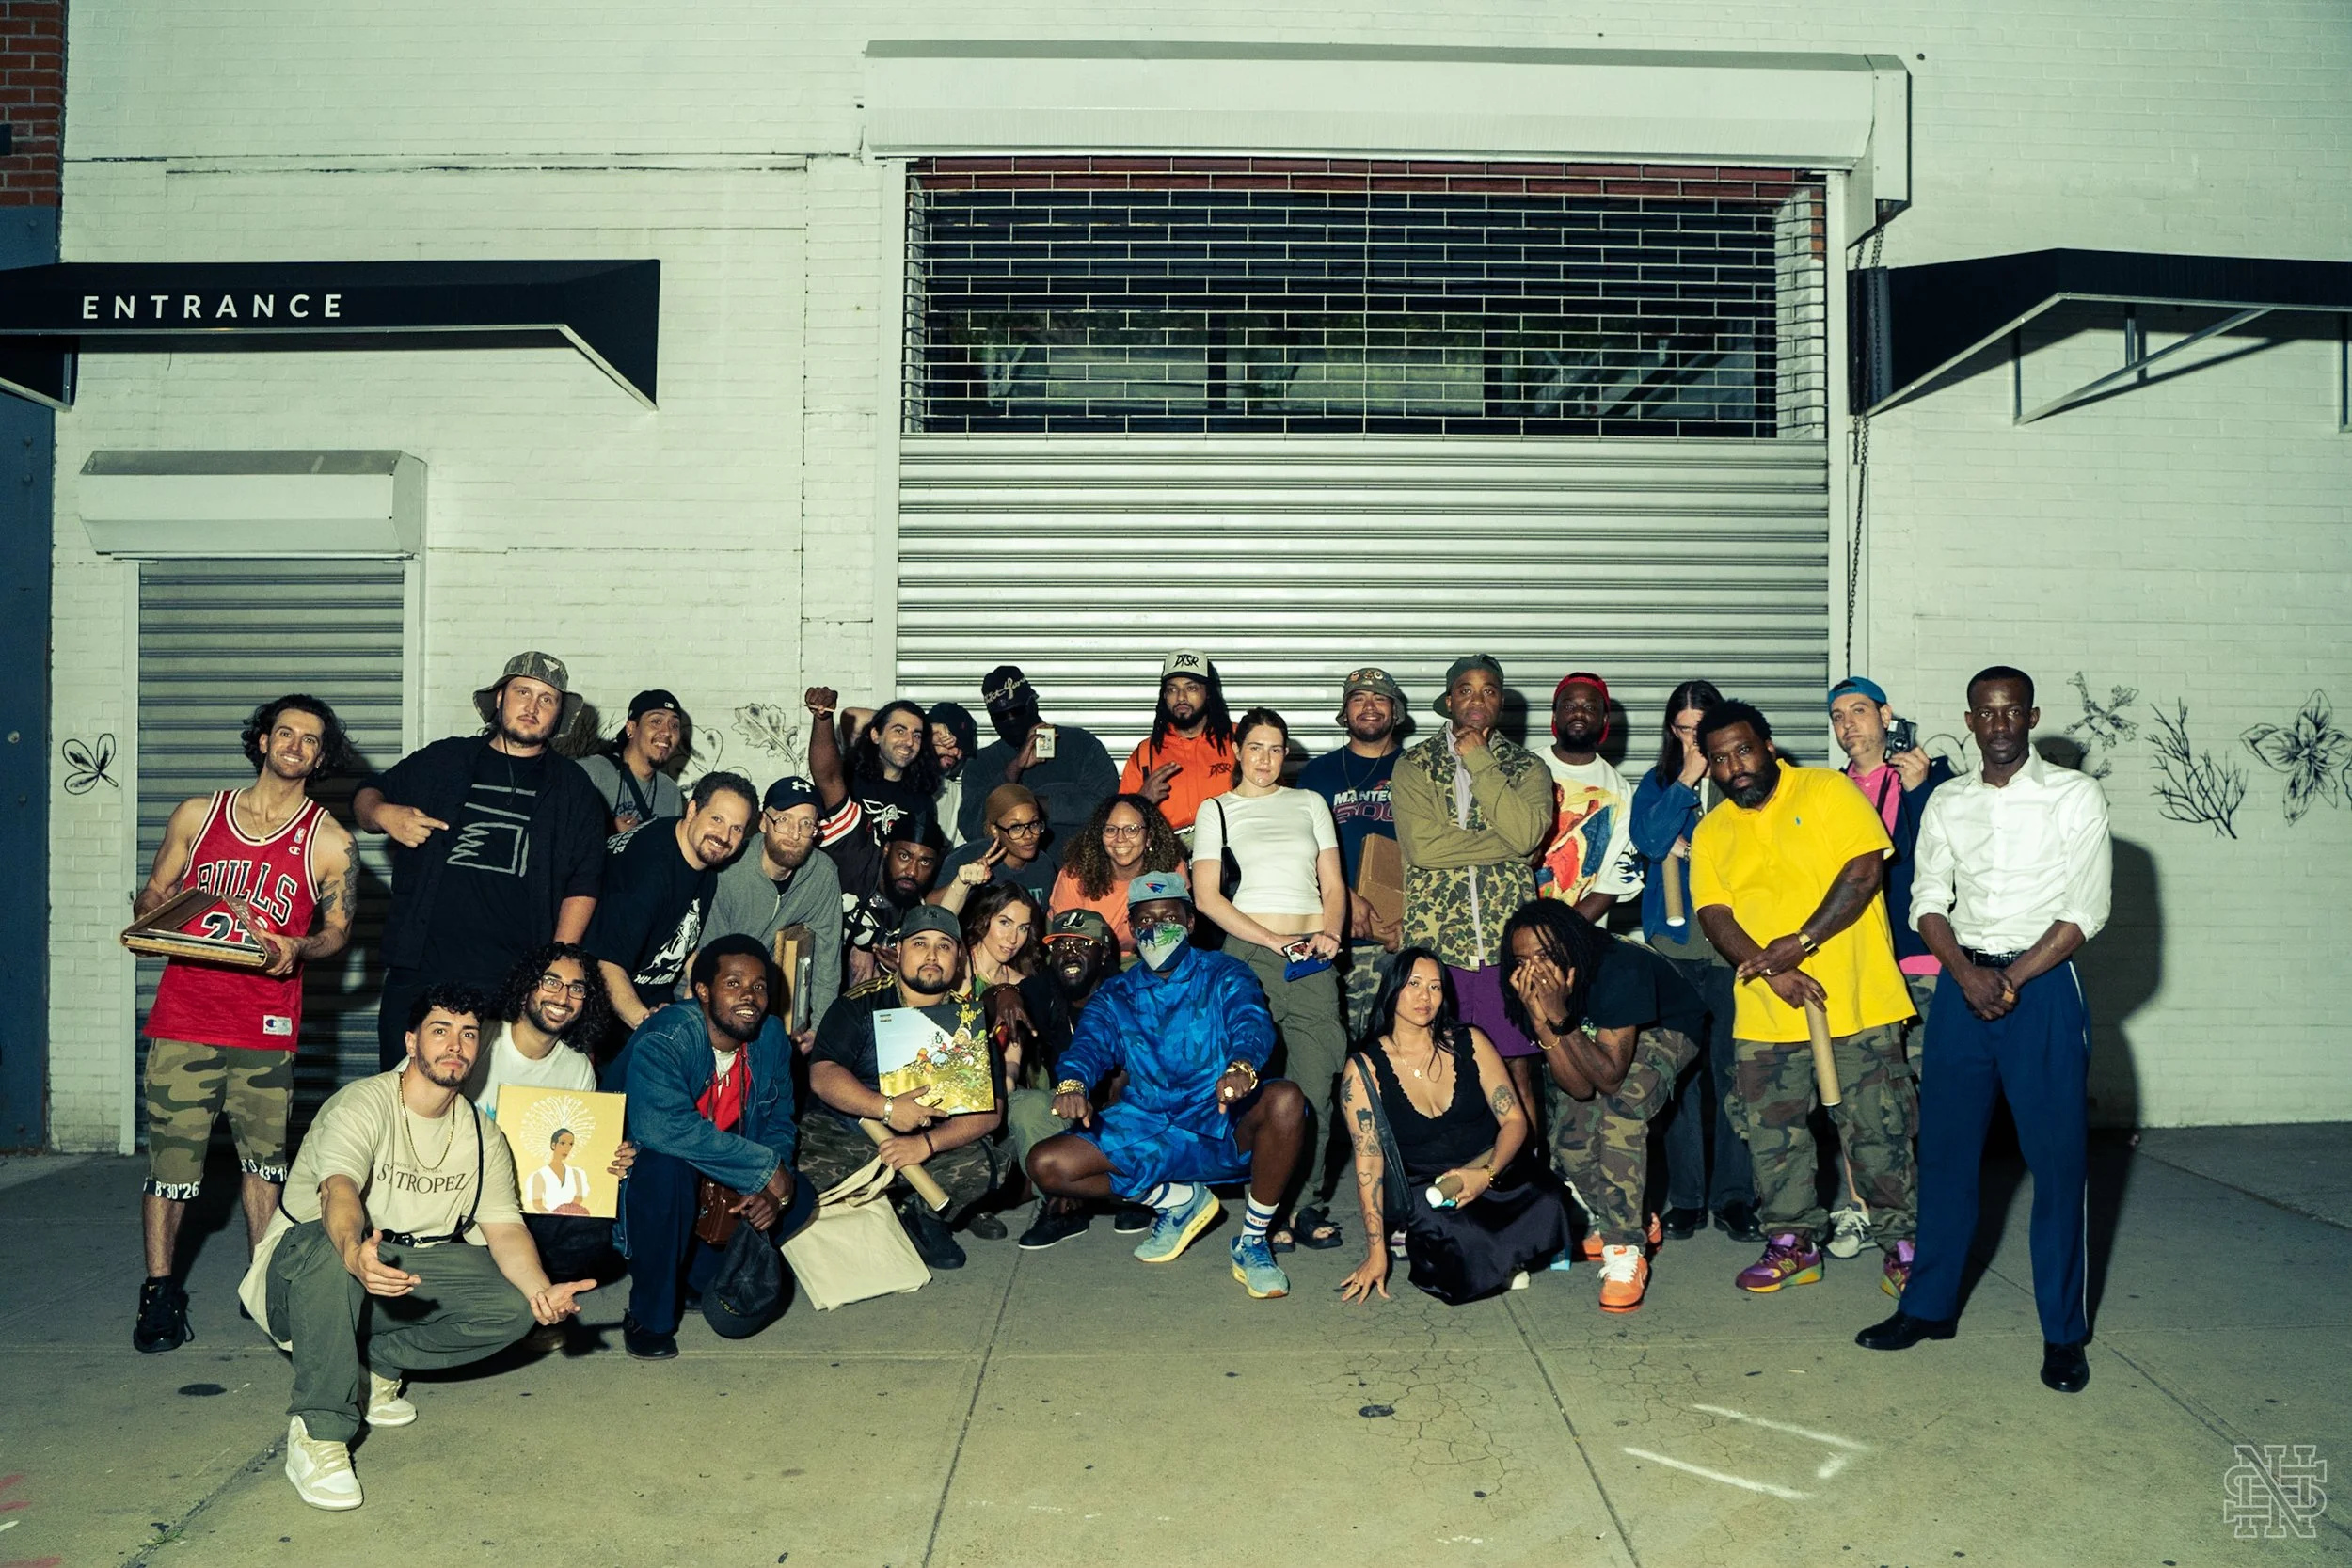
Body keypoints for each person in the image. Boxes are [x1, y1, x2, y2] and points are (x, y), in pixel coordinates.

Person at [238, 986, 591, 1511]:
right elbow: (339, 1191)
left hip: (400, 1268)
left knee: (513, 1305)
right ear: (410, 1040)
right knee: (331, 1254)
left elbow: (506, 1229)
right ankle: (319, 1433)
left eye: (469, 1034)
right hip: (302, 1275)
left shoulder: (482, 1135)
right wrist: (355, 1250)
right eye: (441, 1031)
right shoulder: (363, 1103)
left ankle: (378, 1363)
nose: (456, 1045)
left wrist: (541, 1293)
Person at [1859, 667, 2112, 1395]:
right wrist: (1966, 973)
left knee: (2059, 1167)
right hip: (1962, 990)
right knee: (1943, 1157)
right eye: (1985, 712)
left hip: (2044, 991)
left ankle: (2064, 1334)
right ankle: (1928, 1306)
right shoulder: (1947, 800)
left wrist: (2011, 978)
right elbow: (1926, 897)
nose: (1999, 723)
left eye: (2011, 711)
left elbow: (2083, 911)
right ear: (1968, 721)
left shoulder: (2074, 795)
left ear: (2030, 716)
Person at [130, 694, 360, 1353]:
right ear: (261, 741)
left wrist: (300, 947)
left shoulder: (330, 840)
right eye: (283, 732)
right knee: (171, 1165)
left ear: (321, 755)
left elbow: (338, 932)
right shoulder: (200, 815)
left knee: (265, 1165)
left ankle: (265, 1287)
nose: (294, 744)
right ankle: (159, 1289)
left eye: (309, 739)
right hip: (186, 1015)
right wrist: (161, 903)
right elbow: (153, 892)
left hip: (264, 1025)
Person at [1688, 700, 1920, 1299]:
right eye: (1719, 759)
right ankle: (1793, 1243)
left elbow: (1865, 872)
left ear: (1769, 745)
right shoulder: (1714, 829)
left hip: (1859, 1002)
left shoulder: (1826, 792)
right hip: (1767, 1013)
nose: (1734, 766)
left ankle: (1905, 1243)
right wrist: (1769, 973)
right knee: (1774, 1134)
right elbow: (1715, 914)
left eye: (1743, 750)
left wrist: (1802, 943)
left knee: (1876, 1129)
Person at [1025, 873, 1310, 1301]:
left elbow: (1250, 1020)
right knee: (1048, 1164)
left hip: (1221, 1124)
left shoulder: (1224, 973)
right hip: (1150, 1126)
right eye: (1145, 921)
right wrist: (1072, 1083)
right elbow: (1090, 1044)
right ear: (1132, 928)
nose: (1157, 930)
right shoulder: (1116, 993)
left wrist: (1242, 1066)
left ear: (1191, 922)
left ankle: (1252, 1242)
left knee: (1287, 1100)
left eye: (1170, 918)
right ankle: (1177, 1201)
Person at [356, 651, 606, 1069]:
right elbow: (367, 795)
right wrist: (385, 815)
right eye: (523, 692)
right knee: (401, 1094)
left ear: (558, 716)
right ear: (499, 699)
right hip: (421, 966)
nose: (532, 706)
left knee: (491, 1105)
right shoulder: (445, 759)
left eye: (547, 699)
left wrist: (553, 970)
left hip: (509, 981)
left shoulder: (573, 788)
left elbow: (585, 881)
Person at [604, 935, 808, 1360]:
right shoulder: (667, 1037)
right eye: (733, 984)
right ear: (702, 991)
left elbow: (779, 1121)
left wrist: (772, 1189)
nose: (749, 997)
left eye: (759, 986)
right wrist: (763, 1168)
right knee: (668, 1167)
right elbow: (664, 1129)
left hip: (716, 1184)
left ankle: (695, 1276)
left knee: (800, 1194)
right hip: (635, 1180)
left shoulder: (770, 1037)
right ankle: (649, 1314)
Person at [1190, 706, 1349, 1252]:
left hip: (1310, 960)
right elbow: (1206, 896)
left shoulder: (1310, 803)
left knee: (1317, 1085)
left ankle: (1304, 1206)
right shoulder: (1218, 809)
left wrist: (1330, 933)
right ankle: (1263, 1208)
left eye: (1276, 748)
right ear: (1237, 750)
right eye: (1255, 746)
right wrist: (1271, 940)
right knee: (1244, 1081)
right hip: (1250, 956)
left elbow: (1333, 881)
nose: (1266, 759)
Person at [1502, 902, 1707, 1313]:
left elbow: (1611, 1078)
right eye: (1523, 959)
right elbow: (1578, 1089)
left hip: (1663, 1026)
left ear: (1569, 946)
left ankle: (1624, 1252)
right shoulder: (1522, 988)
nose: (1533, 968)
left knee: (1621, 1112)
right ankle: (1627, 1219)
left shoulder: (1618, 967)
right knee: (1571, 1141)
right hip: (1585, 1033)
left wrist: (1560, 1016)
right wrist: (1544, 1022)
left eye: (1544, 955)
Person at [1337, 949, 1565, 1307]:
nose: (1424, 997)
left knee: (1550, 1197)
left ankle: (1501, 1249)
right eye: (1413, 984)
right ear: (1393, 989)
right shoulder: (1363, 1071)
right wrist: (1375, 1252)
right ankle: (1489, 1249)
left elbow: (1515, 1121)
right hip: (1428, 1187)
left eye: (1435, 986)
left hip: (1491, 1168)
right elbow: (1368, 1166)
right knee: (1458, 1238)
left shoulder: (1470, 1041)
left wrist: (1485, 1174)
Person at [1823, 674, 1957, 1259]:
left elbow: (1952, 853)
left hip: (1922, 960)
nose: (1847, 724)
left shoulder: (1933, 778)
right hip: (1858, 960)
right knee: (1860, 1091)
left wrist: (1924, 789)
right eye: (1837, 716)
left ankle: (1925, 1210)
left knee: (1928, 1091)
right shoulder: (1830, 791)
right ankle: (1858, 1207)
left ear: (1886, 715)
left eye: (1858, 710)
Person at [1390, 655, 1555, 1110]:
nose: (1477, 699)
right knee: (1442, 1072)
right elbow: (1423, 849)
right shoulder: (1414, 764)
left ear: (1501, 702)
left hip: (1509, 943)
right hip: (1440, 944)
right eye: (1466, 689)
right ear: (1448, 700)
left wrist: (1481, 760)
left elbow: (1526, 833)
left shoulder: (1527, 767)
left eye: (1489, 690)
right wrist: (1513, 845)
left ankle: (1524, 1178)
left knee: (1517, 1074)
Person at [1628, 679, 1759, 1244]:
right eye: (1681, 731)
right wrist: (1685, 777)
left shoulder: (1744, 785)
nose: (1692, 741)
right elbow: (1651, 842)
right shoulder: (1658, 785)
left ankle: (1734, 1197)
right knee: (1678, 1077)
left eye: (1699, 731)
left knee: (1737, 1076)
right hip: (1676, 955)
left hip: (1734, 953)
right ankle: (1686, 1199)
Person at [804, 907, 1008, 1270]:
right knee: (799, 1164)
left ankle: (921, 1215)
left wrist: (923, 1145)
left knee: (987, 1163)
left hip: (927, 1146)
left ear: (959, 959)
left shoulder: (969, 1020)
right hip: (855, 1135)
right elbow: (822, 1075)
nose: (931, 956)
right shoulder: (858, 1004)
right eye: (920, 944)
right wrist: (886, 1109)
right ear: (899, 952)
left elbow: (991, 1112)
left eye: (944, 946)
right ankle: (868, 1216)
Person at [461, 943, 633, 1286]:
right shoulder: (479, 1037)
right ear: (526, 985)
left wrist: (608, 1160)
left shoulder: (577, 1067)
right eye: (551, 982)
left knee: (589, 1227)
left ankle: (536, 1297)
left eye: (577, 988)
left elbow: (576, 1156)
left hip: (525, 1199)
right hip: (458, 1189)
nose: (563, 996)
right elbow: (403, 1094)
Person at [581, 771, 759, 1031]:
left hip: (653, 994)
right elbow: (606, 965)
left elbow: (680, 932)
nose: (724, 836)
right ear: (692, 810)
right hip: (604, 1008)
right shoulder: (649, 873)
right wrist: (650, 1026)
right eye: (717, 819)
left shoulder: (703, 861)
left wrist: (698, 976)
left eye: (736, 829)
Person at [1296, 666, 1408, 1042]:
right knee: (1333, 1051)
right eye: (1358, 698)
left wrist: (1417, 920)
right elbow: (1295, 852)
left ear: (1396, 711)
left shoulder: (1420, 770)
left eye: (1380, 698)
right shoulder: (1317, 774)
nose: (1369, 706)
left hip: (1399, 941)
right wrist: (1343, 895)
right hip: (1334, 941)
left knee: (1395, 1055)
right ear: (1345, 713)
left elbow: (1442, 855)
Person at [703, 774, 845, 1049]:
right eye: (784, 820)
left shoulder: (822, 874)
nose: (794, 834)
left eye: (806, 824)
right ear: (763, 822)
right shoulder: (730, 869)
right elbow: (708, 956)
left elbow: (828, 958)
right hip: (714, 995)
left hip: (767, 999)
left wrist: (820, 1028)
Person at [1009, 909, 1121, 1250]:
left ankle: (1137, 1195)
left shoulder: (1127, 991)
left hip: (1124, 1120)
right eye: (1060, 946)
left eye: (1081, 943)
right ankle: (1062, 1201)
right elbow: (1005, 996)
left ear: (1103, 953)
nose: (1069, 953)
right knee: (1024, 1105)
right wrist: (1003, 996)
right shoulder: (1044, 989)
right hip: (1067, 1115)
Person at [961, 665, 1120, 861]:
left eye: (1017, 711)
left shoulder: (1079, 745)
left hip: (1082, 873)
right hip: (1014, 882)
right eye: (1000, 716)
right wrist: (1012, 771)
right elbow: (973, 828)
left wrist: (1033, 805)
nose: (1011, 720)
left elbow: (1109, 809)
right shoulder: (981, 763)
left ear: (1032, 704)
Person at [1535, 672, 1644, 920]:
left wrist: (1565, 932)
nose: (1579, 713)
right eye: (1569, 705)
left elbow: (1615, 880)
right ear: (1554, 714)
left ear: (1604, 719)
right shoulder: (1522, 766)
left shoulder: (1621, 791)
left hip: (1582, 934)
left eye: (1590, 707)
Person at [1049, 792, 1187, 959]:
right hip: (1089, 960)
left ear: (1149, 837)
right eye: (1110, 829)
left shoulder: (1171, 869)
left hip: (1151, 958)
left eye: (1131, 829)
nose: (1120, 838)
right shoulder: (1075, 875)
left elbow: (1177, 936)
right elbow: (1068, 946)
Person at [1118, 649, 1235, 835]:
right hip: (1169, 855)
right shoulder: (1145, 753)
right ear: (1164, 696)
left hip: (1230, 848)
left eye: (1191, 688)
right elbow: (1121, 825)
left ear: (1209, 693)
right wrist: (1141, 801)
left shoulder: (1239, 739)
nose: (1181, 697)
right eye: (1172, 689)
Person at [932, 783, 1059, 911]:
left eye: (1034, 824)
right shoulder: (966, 857)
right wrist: (961, 882)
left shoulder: (1044, 865)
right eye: (1016, 827)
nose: (1028, 835)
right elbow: (930, 908)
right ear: (994, 829)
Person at [580, 689, 687, 834]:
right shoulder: (589, 773)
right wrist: (608, 830)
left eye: (674, 725)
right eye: (656, 721)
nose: (667, 732)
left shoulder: (671, 792)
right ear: (631, 728)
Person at [846, 699, 943, 844]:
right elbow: (849, 714)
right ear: (875, 735)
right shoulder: (849, 779)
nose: (909, 742)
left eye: (916, 735)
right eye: (899, 731)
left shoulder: (923, 800)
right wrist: (931, 726)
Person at [927, 701, 980, 851]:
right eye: (950, 742)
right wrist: (923, 730)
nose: (956, 753)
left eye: (962, 749)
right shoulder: (893, 774)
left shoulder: (955, 795)